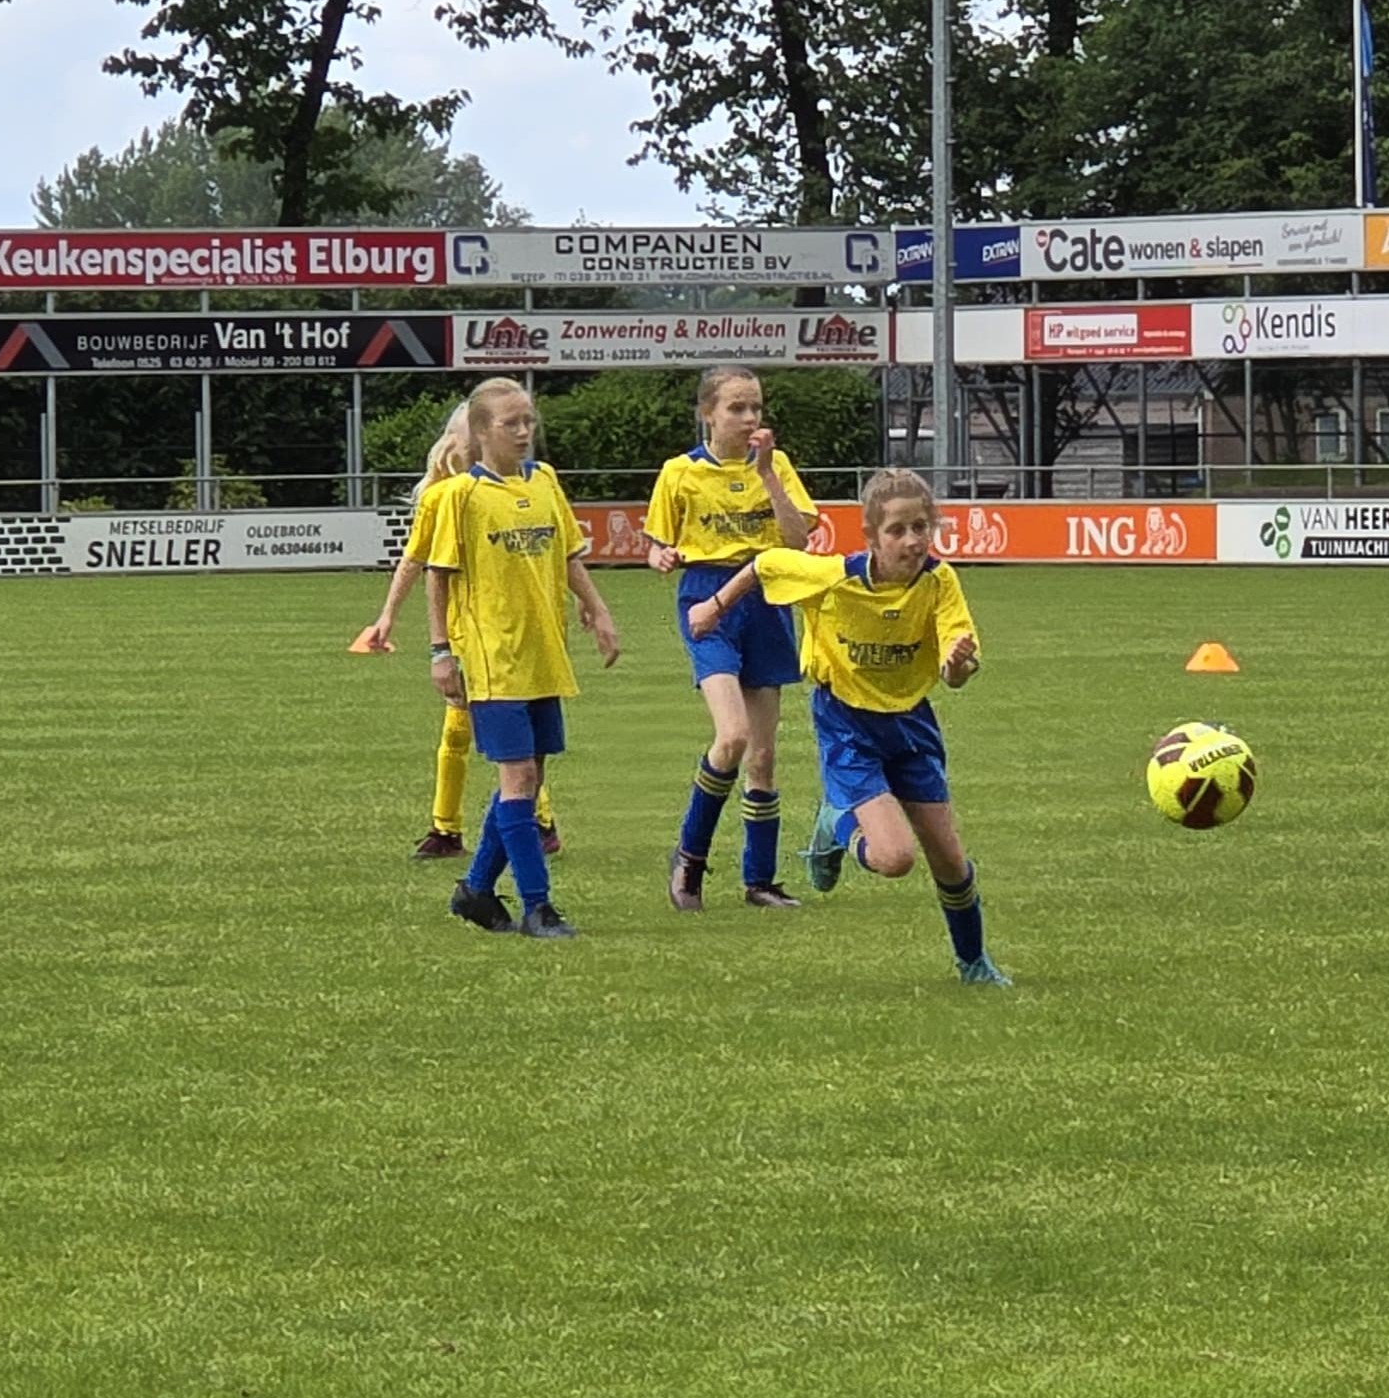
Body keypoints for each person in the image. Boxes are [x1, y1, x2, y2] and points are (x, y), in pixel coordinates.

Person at [686, 468, 1007, 985]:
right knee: (894, 859)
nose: (912, 541)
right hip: (847, 724)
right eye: (898, 530)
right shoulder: (833, 578)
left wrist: (957, 663)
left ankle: (973, 963)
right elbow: (767, 563)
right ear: (872, 537)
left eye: (921, 527)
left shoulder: (939, 581)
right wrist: (715, 605)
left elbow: (957, 669)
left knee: (948, 858)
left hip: (910, 724)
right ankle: (834, 826)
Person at [425, 378, 621, 940]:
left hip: (543, 652)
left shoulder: (545, 482)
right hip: (491, 657)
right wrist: (442, 652)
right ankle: (539, 907)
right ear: (482, 431)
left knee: (530, 781)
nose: (523, 431)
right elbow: (438, 578)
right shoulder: (462, 496)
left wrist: (597, 609)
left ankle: (477, 892)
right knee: (519, 775)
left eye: (528, 420)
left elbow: (566, 554)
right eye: (510, 422)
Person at [645, 367, 821, 910]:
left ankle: (759, 881)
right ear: (707, 414)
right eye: (736, 409)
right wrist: (662, 555)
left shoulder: (778, 466)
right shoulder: (680, 473)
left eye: (756, 409)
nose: (749, 420)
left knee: (764, 756)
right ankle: (689, 861)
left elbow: (797, 538)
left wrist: (767, 475)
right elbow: (656, 545)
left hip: (767, 598)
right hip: (708, 600)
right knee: (734, 735)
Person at [356, 400, 558, 860]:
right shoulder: (444, 496)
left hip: (503, 635)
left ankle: (493, 827)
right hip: (465, 633)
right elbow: (418, 559)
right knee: (466, 730)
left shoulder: (520, 486)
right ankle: (472, 827)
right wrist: (387, 615)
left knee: (498, 733)